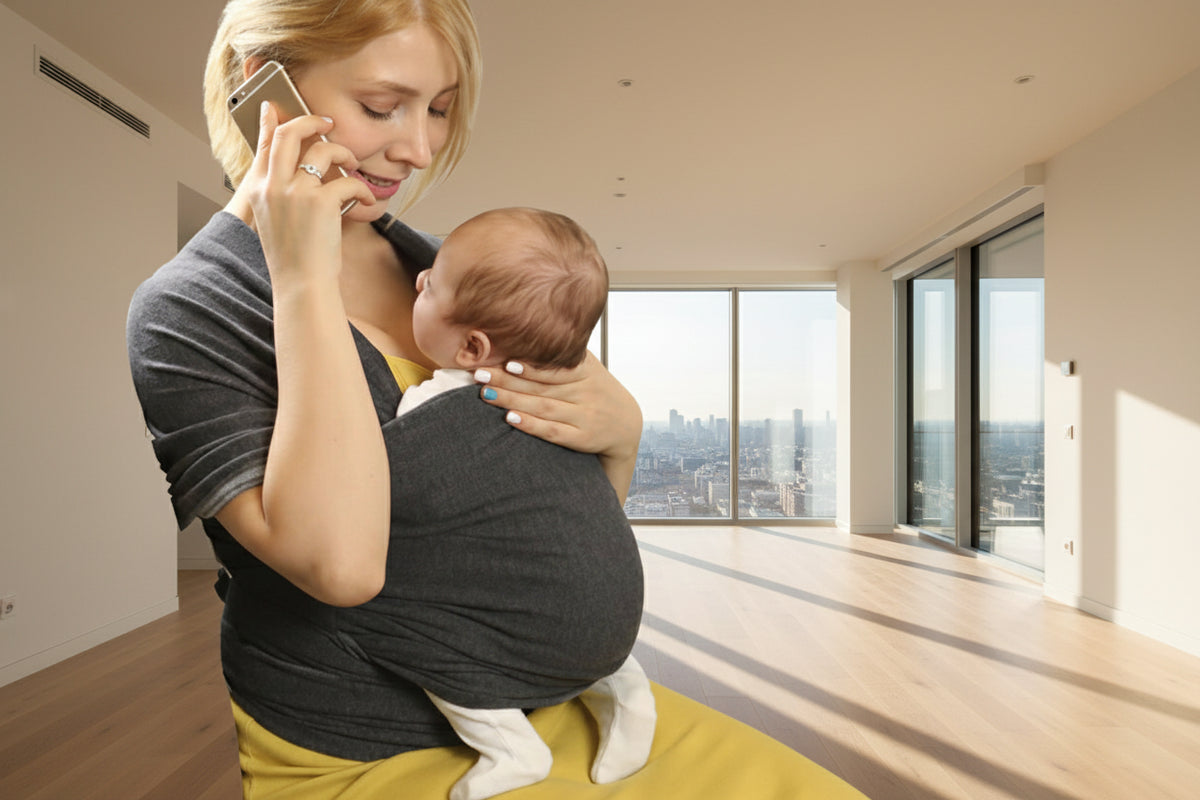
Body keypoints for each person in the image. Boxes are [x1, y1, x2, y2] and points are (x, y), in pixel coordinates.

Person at [125, 0, 868, 797]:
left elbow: (545, 518)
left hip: (544, 687)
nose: (418, 147)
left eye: (440, 109)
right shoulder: (188, 311)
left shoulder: (454, 272)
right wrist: (301, 274)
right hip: (369, 737)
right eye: (382, 106)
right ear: (262, 87)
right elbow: (341, 569)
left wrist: (622, 439)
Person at [348, 206, 656, 800]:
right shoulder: (568, 404)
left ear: (471, 348)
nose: (418, 279)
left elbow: (377, 490)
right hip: (618, 620)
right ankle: (627, 696)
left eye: (431, 284)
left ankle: (511, 748)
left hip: (527, 630)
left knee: (400, 623)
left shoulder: (434, 408)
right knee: (566, 606)